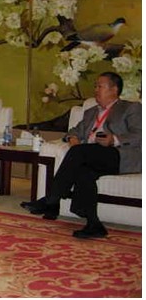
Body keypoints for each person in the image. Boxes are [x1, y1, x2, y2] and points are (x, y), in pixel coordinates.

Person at [21, 72, 141, 239]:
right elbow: (73, 131)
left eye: (100, 86)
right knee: (85, 172)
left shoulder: (130, 108)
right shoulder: (91, 112)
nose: (96, 90)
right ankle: (94, 224)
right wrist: (73, 138)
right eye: (95, 86)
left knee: (79, 152)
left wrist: (113, 139)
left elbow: (139, 134)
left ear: (114, 89)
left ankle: (51, 200)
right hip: (91, 154)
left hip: (119, 154)